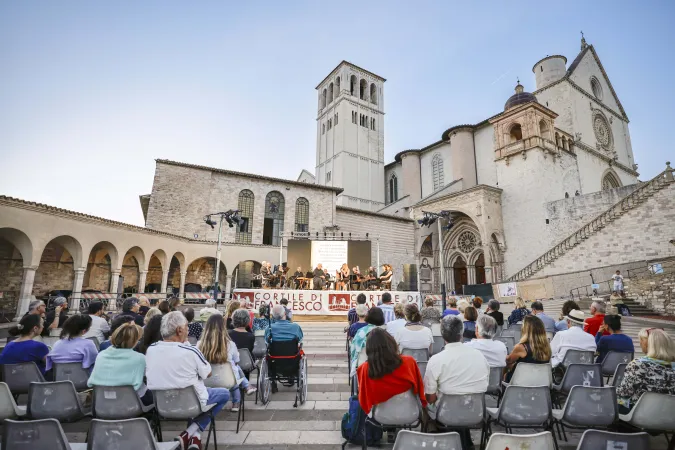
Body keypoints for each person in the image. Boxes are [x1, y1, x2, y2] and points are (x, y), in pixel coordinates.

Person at [146, 312, 230, 450]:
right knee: (223, 393)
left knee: (192, 390)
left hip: (163, 405)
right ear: (179, 330)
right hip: (192, 403)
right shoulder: (190, 351)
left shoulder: (151, 350)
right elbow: (207, 373)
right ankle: (191, 433)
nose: (188, 329)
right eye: (186, 327)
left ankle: (193, 437)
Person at [425, 316, 489, 420]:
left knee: (424, 405)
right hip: (475, 413)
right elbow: (485, 383)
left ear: (442, 335)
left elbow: (430, 398)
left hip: (446, 415)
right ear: (462, 333)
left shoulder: (436, 360)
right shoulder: (480, 356)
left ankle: (436, 434)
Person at [357, 328, 427, 414]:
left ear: (369, 349)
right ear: (391, 343)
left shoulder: (365, 368)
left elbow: (363, 399)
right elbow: (419, 388)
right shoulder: (409, 362)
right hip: (409, 412)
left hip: (379, 415)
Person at [198, 314, 256, 413]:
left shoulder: (199, 344)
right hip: (227, 379)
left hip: (206, 380)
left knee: (232, 370)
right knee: (233, 370)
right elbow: (237, 361)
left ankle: (246, 387)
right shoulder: (230, 344)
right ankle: (236, 402)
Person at [87, 322, 153, 405]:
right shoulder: (140, 358)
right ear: (135, 341)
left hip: (103, 400)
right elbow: (149, 376)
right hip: (133, 402)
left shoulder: (101, 355)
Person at [616, 328, 675, 413]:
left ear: (649, 344)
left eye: (641, 341)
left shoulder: (638, 365)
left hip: (640, 413)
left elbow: (624, 393)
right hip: (669, 414)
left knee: (611, 400)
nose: (640, 343)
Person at [504, 315, 551, 382]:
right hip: (540, 381)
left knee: (505, 371)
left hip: (521, 382)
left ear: (526, 329)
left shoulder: (521, 347)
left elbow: (508, 361)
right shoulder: (547, 346)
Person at [349, 307, 385, 377]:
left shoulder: (361, 332)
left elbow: (353, 351)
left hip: (364, 366)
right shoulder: (387, 331)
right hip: (384, 365)